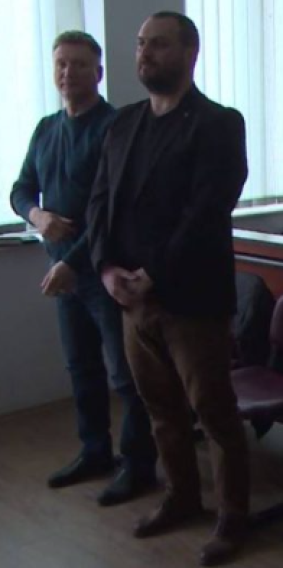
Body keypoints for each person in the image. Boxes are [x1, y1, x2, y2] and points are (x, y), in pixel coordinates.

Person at [86, 12, 249, 566]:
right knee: (160, 409)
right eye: (140, 44)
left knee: (214, 412)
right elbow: (99, 203)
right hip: (131, 299)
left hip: (192, 300)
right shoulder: (123, 124)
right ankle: (181, 497)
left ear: (189, 53)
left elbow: (207, 208)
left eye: (158, 44)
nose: (144, 53)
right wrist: (106, 269)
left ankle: (233, 517)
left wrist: (151, 273)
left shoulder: (218, 123)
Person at [9, 31, 157, 505]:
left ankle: (139, 466)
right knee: (81, 368)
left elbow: (110, 211)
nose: (68, 72)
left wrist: (72, 262)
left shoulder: (115, 128)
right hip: (64, 274)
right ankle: (95, 452)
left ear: (98, 72)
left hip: (105, 274)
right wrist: (37, 216)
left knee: (126, 375)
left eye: (78, 64)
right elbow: (20, 189)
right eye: (61, 64)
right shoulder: (46, 128)